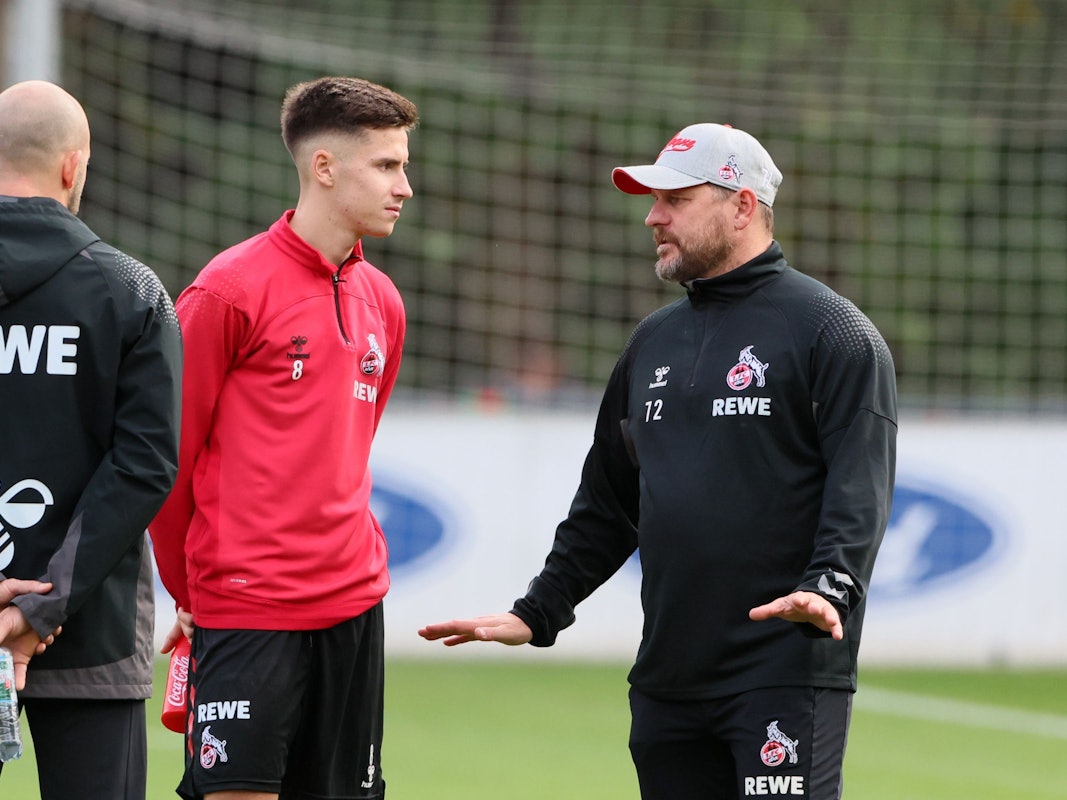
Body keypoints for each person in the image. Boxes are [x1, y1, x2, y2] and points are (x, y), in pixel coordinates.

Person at [419, 123, 897, 800]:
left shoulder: (832, 332)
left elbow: (862, 487)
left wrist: (829, 586)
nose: (652, 216)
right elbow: (608, 504)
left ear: (740, 206)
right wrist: (537, 610)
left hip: (781, 672)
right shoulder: (651, 342)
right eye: (651, 199)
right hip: (666, 684)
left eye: (674, 198)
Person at [149, 76, 418, 800]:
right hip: (245, 609)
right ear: (323, 167)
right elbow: (165, 461)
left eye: (403, 165)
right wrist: (191, 593)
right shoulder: (226, 291)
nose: (406, 186)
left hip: (355, 608)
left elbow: (352, 447)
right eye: (387, 166)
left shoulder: (384, 303)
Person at [0, 80, 182, 798]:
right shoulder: (131, 292)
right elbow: (143, 467)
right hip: (92, 637)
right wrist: (39, 606)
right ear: (73, 167)